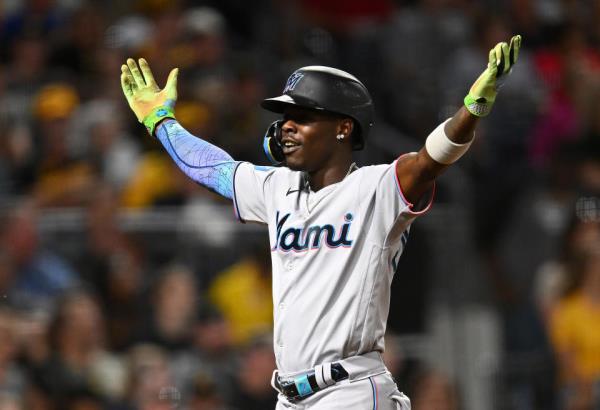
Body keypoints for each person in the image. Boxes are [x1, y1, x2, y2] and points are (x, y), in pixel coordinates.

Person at [120, 34, 522, 409]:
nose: (286, 125)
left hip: (351, 391)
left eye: (302, 116)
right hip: (290, 396)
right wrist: (161, 122)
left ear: (343, 128)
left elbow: (428, 161)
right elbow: (213, 169)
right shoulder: (278, 187)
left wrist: (471, 111)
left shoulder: (375, 188)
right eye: (285, 117)